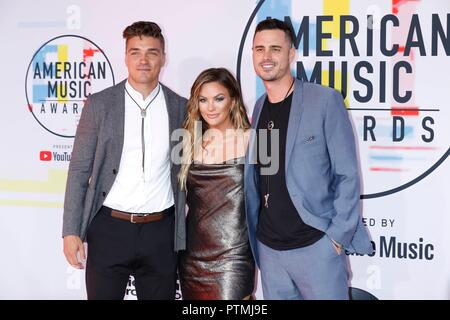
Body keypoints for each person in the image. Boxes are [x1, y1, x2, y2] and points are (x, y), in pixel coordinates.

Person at [244, 18, 374, 300]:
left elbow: (347, 174)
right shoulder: (259, 106)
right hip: (270, 253)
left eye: (275, 49)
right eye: (259, 49)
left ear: (291, 55)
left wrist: (337, 238)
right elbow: (267, 172)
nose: (266, 57)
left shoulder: (324, 100)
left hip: (316, 248)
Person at [62, 21, 187, 300]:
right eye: (135, 52)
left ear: (163, 58)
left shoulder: (181, 108)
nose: (143, 60)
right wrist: (71, 231)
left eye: (152, 52)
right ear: (125, 56)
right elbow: (80, 170)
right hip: (109, 230)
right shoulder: (99, 105)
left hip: (161, 233)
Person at [178, 68, 255, 299]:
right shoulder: (188, 141)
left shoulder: (255, 140)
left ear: (232, 101)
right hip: (193, 257)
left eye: (218, 99)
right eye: (203, 100)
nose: (210, 107)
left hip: (235, 255)